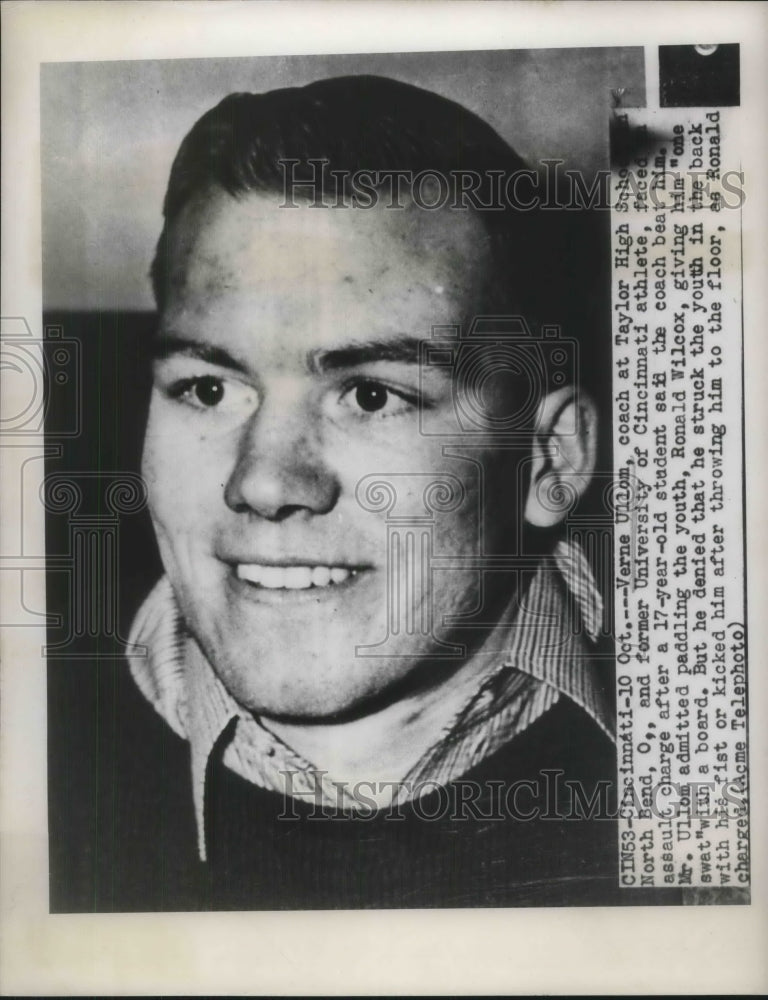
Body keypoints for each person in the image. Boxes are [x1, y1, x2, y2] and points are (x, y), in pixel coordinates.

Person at [50, 75, 642, 911]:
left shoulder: (711, 756)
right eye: (208, 389)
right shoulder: (37, 762)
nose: (264, 483)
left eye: (371, 394)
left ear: (548, 461)